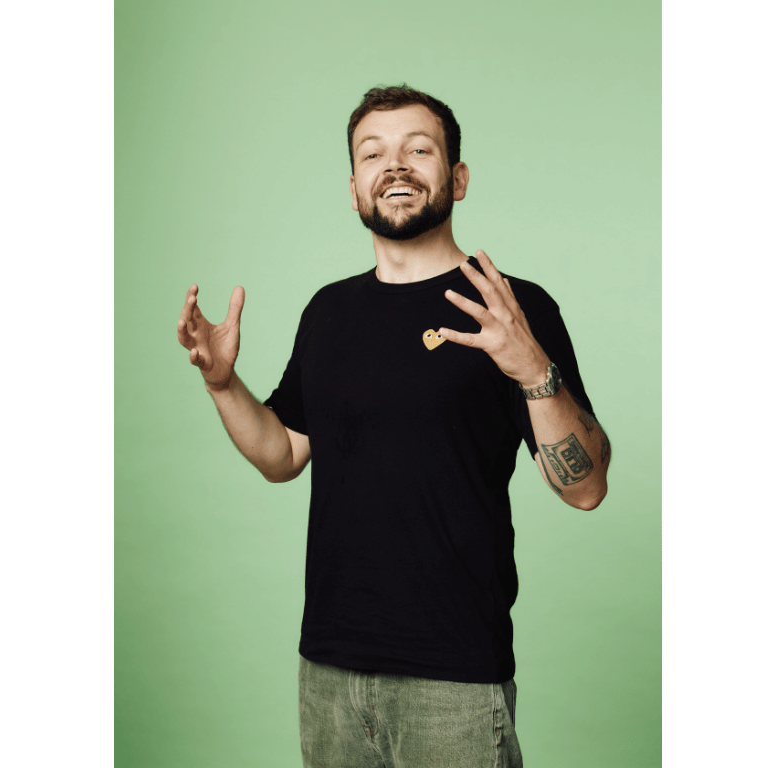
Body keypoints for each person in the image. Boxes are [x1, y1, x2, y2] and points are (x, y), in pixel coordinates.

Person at [176, 85, 612, 768]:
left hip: (455, 678)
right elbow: (283, 453)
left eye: (420, 148)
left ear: (458, 177)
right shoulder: (328, 313)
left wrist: (531, 366)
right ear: (354, 190)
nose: (397, 165)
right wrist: (222, 383)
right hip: (328, 671)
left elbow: (585, 487)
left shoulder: (511, 307)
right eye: (374, 154)